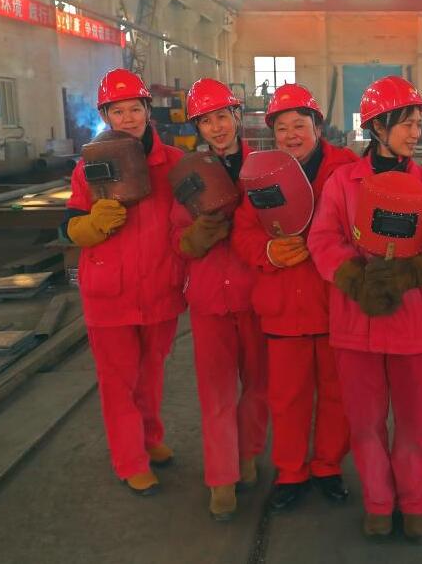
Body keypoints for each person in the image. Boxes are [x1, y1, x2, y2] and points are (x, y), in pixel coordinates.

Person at [307, 76, 422, 543]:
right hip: (357, 324)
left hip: (415, 325)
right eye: (406, 123)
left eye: (417, 123)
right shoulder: (342, 183)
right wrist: (353, 278)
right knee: (365, 422)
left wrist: (417, 272)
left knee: (414, 423)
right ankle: (378, 502)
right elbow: (323, 239)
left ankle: (413, 503)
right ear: (377, 127)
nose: (416, 132)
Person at [231, 83, 357, 512]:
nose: (291, 135)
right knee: (287, 397)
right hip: (283, 304)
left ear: (318, 127)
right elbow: (243, 233)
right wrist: (268, 251)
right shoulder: (259, 174)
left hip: (334, 303)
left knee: (338, 393)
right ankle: (291, 471)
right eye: (282, 128)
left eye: (299, 125)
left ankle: (328, 466)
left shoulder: (346, 169)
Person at [61, 68, 185, 495]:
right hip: (109, 293)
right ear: (106, 116)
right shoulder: (89, 167)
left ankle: (150, 439)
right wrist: (91, 225)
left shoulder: (173, 163)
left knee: (151, 373)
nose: (128, 118)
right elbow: (70, 224)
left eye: (135, 109)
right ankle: (130, 459)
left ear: (148, 111)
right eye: (118, 111)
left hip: (160, 287)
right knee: (119, 381)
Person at [169, 78, 269, 521]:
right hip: (209, 298)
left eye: (222, 117)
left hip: (256, 294)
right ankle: (221, 478)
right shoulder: (189, 176)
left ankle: (247, 455)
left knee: (259, 386)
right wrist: (194, 237)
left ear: (236, 117)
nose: (217, 127)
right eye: (207, 121)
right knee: (216, 393)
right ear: (198, 127)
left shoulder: (262, 167)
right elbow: (175, 236)